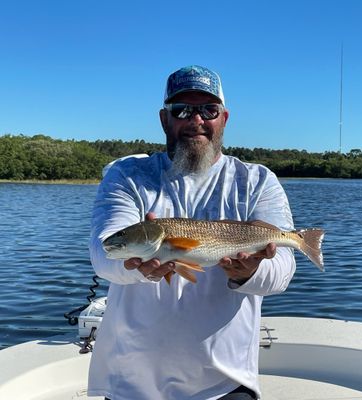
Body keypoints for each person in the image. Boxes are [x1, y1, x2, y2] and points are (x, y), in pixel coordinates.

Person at [88, 65, 296, 400]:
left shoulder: (257, 182)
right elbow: (104, 253)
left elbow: (282, 269)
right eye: (182, 110)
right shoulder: (127, 176)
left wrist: (253, 270)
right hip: (131, 383)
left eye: (208, 110)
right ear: (164, 119)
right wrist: (138, 269)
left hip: (226, 381)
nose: (195, 120)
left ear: (224, 118)